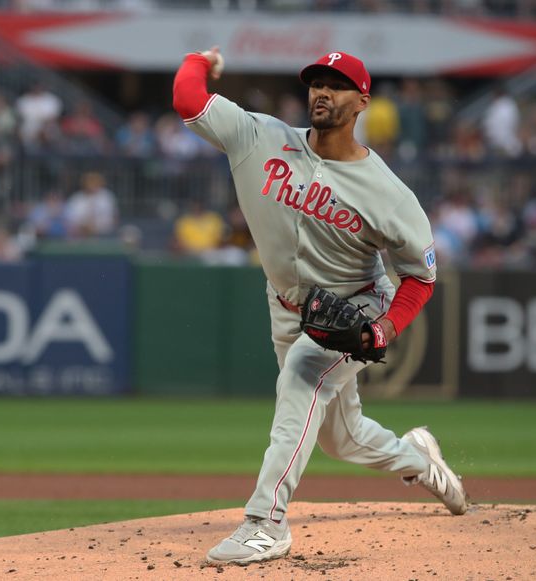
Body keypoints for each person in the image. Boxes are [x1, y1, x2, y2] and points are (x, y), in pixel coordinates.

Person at [173, 48, 468, 566]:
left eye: (337, 85)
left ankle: (266, 523)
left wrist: (385, 329)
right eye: (316, 83)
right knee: (342, 438)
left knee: (300, 380)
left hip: (355, 305)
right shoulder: (259, 136)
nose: (322, 92)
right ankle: (418, 460)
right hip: (287, 303)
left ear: (362, 102)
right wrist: (200, 59)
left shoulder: (389, 194)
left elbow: (421, 277)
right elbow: (187, 99)